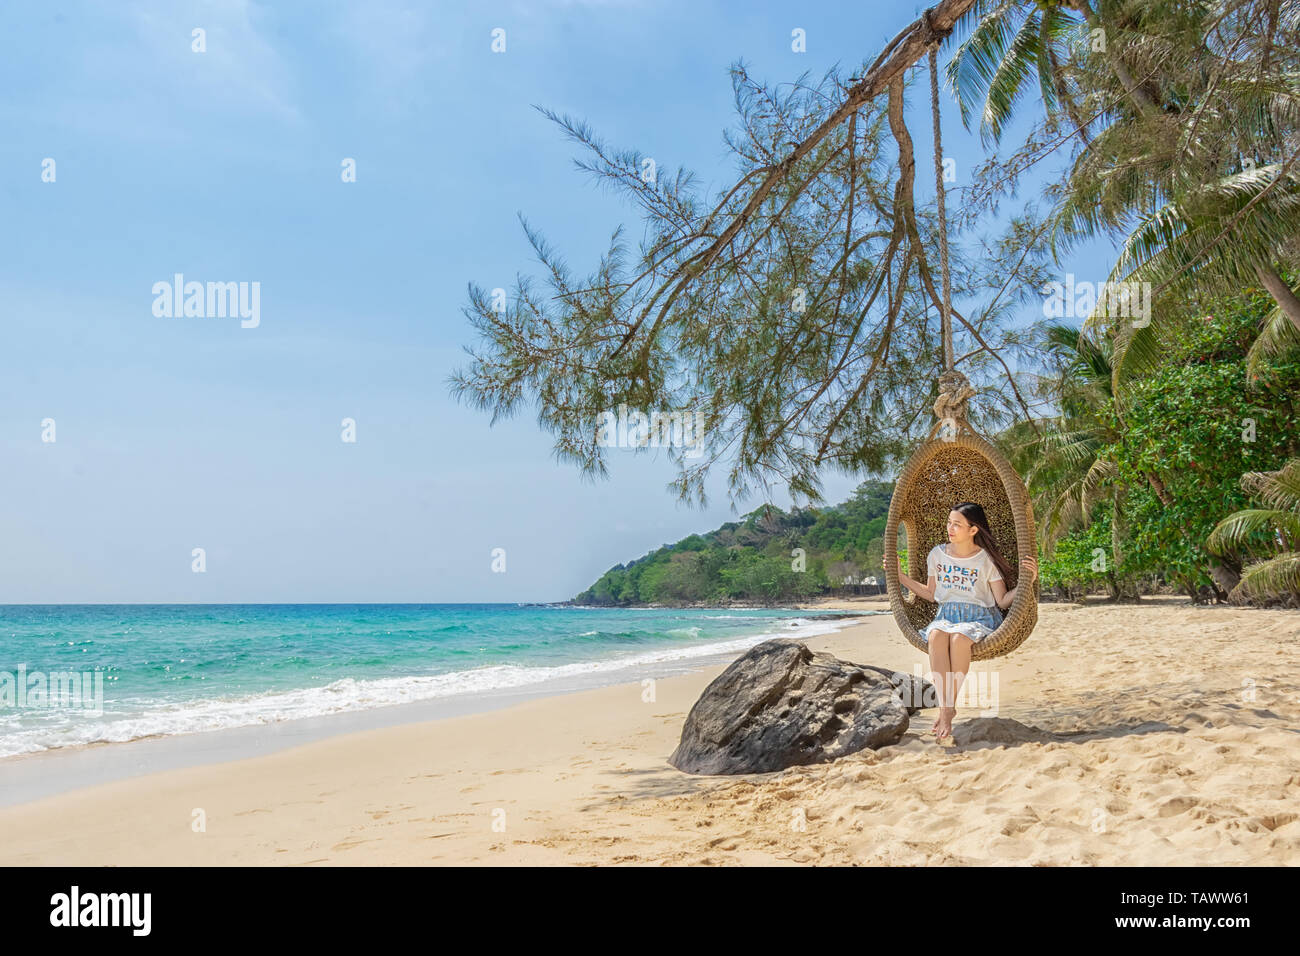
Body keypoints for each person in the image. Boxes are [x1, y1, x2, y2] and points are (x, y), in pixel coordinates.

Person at [886, 501, 1038, 740]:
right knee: (936, 635)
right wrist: (900, 576)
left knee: (959, 639)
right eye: (949, 523)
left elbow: (1002, 600)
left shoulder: (985, 559)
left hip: (979, 616)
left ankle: (946, 708)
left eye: (957, 524)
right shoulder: (937, 554)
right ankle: (948, 707)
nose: (950, 528)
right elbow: (930, 593)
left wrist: (1027, 583)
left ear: (973, 529)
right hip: (946, 615)